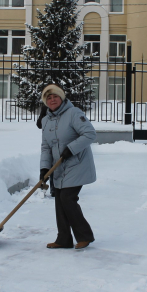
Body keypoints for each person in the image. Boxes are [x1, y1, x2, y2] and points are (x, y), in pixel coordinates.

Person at [39, 84, 97, 249]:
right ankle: (63, 238)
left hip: (76, 164)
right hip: (59, 167)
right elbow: (46, 147)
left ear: (61, 97)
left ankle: (84, 235)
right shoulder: (45, 120)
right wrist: (44, 169)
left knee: (67, 198)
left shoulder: (74, 113)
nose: (52, 100)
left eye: (55, 96)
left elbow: (90, 134)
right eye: (48, 98)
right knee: (59, 200)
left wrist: (71, 149)